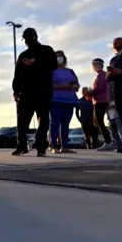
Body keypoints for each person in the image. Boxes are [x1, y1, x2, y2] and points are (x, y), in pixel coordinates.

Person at [11, 27, 57, 156]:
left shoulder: (46, 51)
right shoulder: (23, 55)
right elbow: (17, 74)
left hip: (43, 91)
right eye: (25, 39)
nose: (27, 41)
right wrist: (16, 90)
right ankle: (21, 145)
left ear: (35, 37)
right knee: (22, 121)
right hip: (26, 92)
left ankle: (41, 147)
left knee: (43, 120)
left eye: (29, 38)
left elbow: (53, 66)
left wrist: (35, 64)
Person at [50, 50, 80, 154]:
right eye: (57, 56)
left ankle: (65, 146)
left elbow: (77, 84)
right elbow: (49, 85)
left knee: (66, 124)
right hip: (55, 100)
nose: (59, 58)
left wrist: (75, 86)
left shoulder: (70, 71)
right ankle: (54, 145)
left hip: (69, 101)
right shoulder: (51, 71)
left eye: (61, 56)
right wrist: (66, 86)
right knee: (55, 123)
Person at [87, 58, 114, 150]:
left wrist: (89, 93)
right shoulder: (101, 75)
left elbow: (99, 88)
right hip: (99, 100)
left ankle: (109, 141)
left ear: (99, 65)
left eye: (95, 65)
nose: (94, 67)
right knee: (97, 122)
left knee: (99, 121)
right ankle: (109, 139)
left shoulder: (102, 75)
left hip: (101, 101)